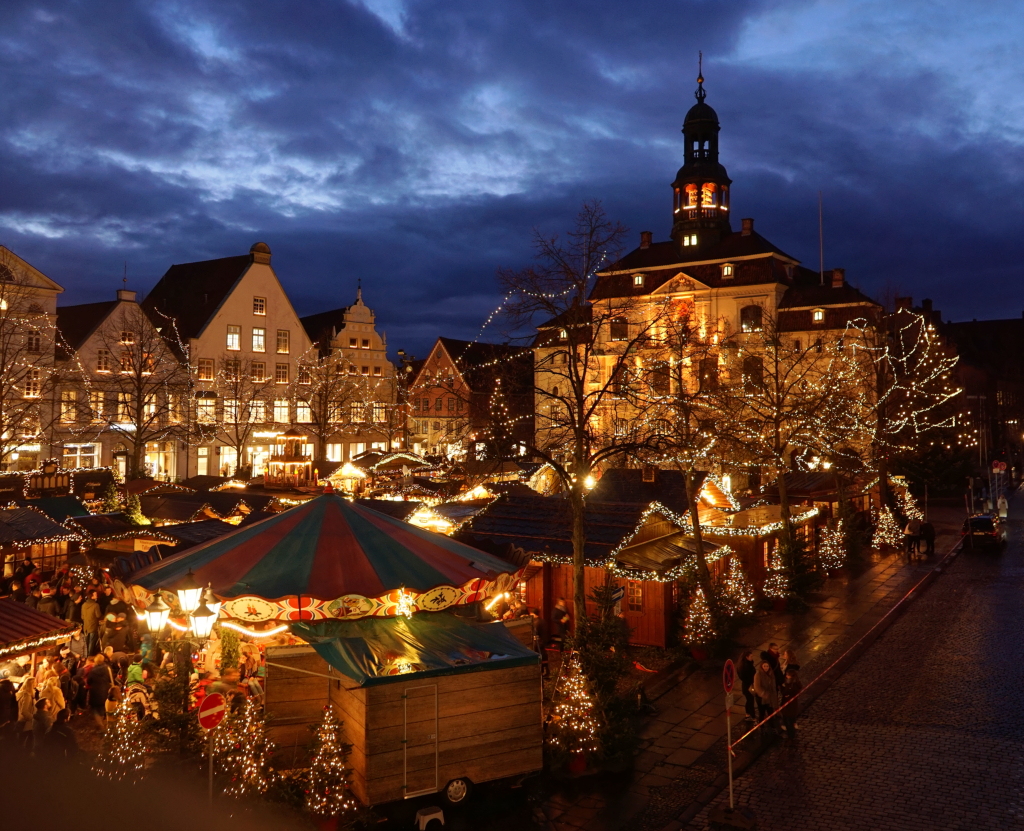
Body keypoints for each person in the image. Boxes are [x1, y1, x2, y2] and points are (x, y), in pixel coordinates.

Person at [87, 653, 115, 730]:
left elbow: (89, 681)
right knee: (103, 706)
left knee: (95, 708)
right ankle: (104, 723)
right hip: (105, 690)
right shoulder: (107, 668)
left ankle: (100, 724)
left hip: (95, 691)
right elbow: (111, 679)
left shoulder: (92, 670)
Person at [752, 659, 779, 729]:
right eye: (764, 666)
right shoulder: (758, 675)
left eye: (767, 666)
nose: (766, 668)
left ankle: (771, 726)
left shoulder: (771, 674)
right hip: (761, 699)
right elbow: (757, 687)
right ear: (761, 666)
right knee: (762, 713)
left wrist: (774, 696)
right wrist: (764, 694)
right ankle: (761, 726)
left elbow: (773, 685)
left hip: (769, 697)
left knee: (770, 712)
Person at [780, 667, 803, 738]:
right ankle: (790, 733)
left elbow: (786, 692)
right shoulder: (790, 683)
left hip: (789, 706)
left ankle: (791, 735)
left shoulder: (792, 685)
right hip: (788, 705)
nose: (786, 676)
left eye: (788, 675)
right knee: (788, 720)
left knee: (789, 721)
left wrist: (783, 689)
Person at [738, 650, 757, 721]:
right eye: (751, 656)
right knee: (750, 701)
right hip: (748, 687)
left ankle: (747, 714)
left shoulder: (745, 664)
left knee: (749, 700)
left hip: (746, 686)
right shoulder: (746, 667)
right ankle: (753, 716)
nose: (752, 657)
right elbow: (746, 676)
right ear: (747, 657)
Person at [82, 591, 102, 656]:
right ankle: (90, 655)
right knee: (91, 642)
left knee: (86, 643)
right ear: (92, 596)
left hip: (86, 626)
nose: (97, 595)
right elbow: (98, 615)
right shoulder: (95, 605)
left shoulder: (84, 605)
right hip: (93, 626)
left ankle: (85, 655)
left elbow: (82, 616)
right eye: (95, 594)